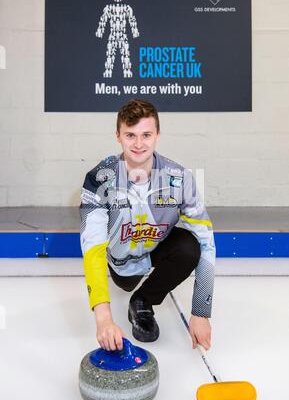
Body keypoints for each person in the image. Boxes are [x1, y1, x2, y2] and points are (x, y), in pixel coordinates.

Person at [80, 99, 216, 352]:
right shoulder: (99, 179)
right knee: (126, 279)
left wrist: (200, 311)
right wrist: (104, 319)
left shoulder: (180, 178)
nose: (139, 144)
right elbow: (93, 249)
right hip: (122, 265)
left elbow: (207, 241)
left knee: (191, 246)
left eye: (146, 135)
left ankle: (143, 301)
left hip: (157, 247)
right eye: (130, 135)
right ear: (118, 135)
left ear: (158, 135)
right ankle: (132, 285)